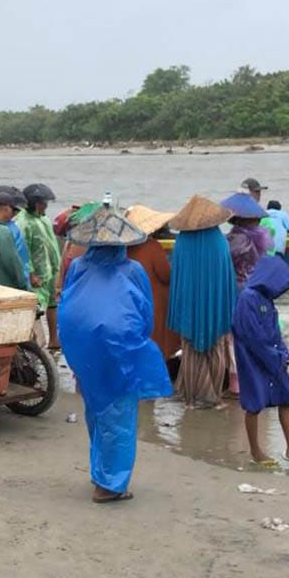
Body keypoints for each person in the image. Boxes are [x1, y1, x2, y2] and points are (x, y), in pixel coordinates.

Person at [58, 204, 172, 503]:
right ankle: (109, 484)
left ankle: (101, 473)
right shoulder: (132, 271)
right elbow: (145, 314)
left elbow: (67, 304)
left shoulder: (79, 267)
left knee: (96, 412)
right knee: (119, 416)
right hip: (120, 350)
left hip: (85, 351)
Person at [232, 256, 289, 468]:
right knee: (254, 404)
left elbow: (275, 332)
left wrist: (283, 353)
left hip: (273, 359)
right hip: (253, 360)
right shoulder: (248, 298)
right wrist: (275, 356)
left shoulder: (266, 299)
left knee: (286, 398)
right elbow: (251, 336)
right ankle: (256, 451)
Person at [166, 195, 236, 408]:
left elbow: (177, 277)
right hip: (215, 304)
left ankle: (191, 399)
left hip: (189, 302)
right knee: (215, 347)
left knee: (189, 349)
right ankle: (213, 397)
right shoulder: (219, 241)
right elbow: (226, 279)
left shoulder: (182, 242)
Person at [124, 204, 179, 365]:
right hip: (151, 300)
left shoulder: (122, 248)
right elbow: (166, 275)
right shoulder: (152, 247)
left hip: (129, 299)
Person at [16, 183, 63, 348]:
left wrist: (59, 270)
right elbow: (23, 251)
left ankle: (53, 339)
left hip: (50, 269)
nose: (46, 206)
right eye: (44, 202)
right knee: (35, 307)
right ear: (36, 203)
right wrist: (30, 273)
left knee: (52, 303)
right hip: (36, 273)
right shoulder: (23, 223)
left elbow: (52, 245)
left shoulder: (44, 219)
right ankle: (34, 342)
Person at [221, 192, 272, 289]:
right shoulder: (258, 236)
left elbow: (231, 258)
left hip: (240, 283)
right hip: (252, 281)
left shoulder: (239, 238)